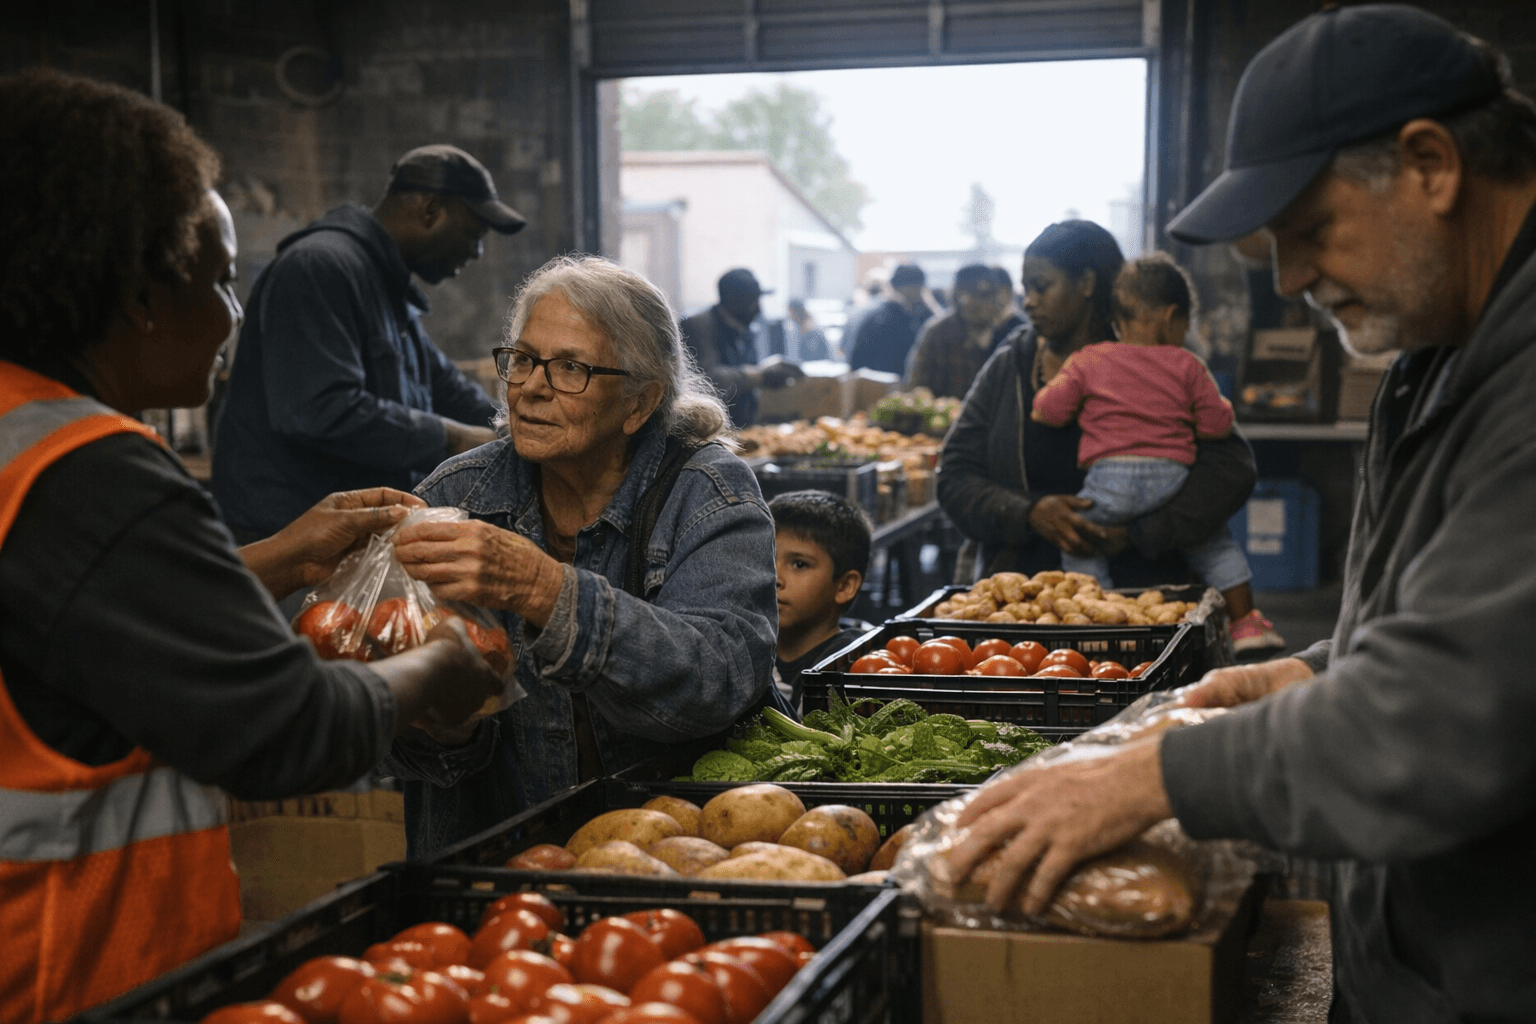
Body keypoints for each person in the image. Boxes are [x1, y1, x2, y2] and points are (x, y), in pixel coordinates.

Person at [945, 6, 1536, 1020]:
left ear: (1431, 165)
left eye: (1309, 232)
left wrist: (1150, 779)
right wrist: (1323, 671)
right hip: (1421, 964)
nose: (1291, 279)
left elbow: (1447, 720)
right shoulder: (1440, 353)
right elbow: (1470, 630)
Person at [0, 70, 502, 1023]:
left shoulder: (17, 439)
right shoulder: (92, 472)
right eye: (223, 280)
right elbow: (288, 732)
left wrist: (277, 557)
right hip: (72, 971)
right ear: (142, 293)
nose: (236, 316)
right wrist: (440, 663)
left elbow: (66, 623)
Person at [381, 255, 785, 858]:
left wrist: (544, 589)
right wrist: (444, 728)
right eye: (523, 359)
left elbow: (716, 680)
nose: (532, 386)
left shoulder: (706, 492)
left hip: (676, 855)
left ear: (639, 404)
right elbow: (400, 744)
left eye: (571, 367)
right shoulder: (457, 496)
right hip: (501, 864)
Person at [210, 144, 525, 541]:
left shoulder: (385, 285)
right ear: (431, 211)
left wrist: (515, 427)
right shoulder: (320, 267)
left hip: (342, 536)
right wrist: (454, 438)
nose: (476, 252)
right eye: (472, 234)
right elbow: (319, 410)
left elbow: (446, 387)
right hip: (284, 536)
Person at [938, 220, 1256, 589]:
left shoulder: (1160, 359)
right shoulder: (1010, 366)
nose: (1029, 302)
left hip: (1149, 596)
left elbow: (1231, 470)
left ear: (1087, 283)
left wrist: (1140, 532)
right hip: (1026, 597)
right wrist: (1028, 512)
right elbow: (955, 475)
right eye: (1026, 289)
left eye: (1042, 286)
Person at [1031, 254, 1284, 653]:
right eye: (1186, 323)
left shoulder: (1088, 360)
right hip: (1173, 480)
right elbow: (1216, 426)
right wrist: (1221, 406)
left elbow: (1049, 412)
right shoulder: (1187, 365)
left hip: (1110, 482)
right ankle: (1247, 625)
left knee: (1080, 540)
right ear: (1170, 318)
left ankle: (1106, 624)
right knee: (1212, 540)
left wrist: (1052, 384)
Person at [769, 490, 871, 713]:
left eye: (799, 564)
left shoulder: (850, 663)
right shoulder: (749, 645)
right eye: (765, 558)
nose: (774, 577)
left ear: (844, 586)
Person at [679, 267, 803, 427]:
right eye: (753, 302)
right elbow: (707, 380)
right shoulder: (698, 326)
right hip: (710, 427)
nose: (758, 309)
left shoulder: (743, 328)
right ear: (735, 302)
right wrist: (759, 375)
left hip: (743, 425)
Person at [905, 263, 1007, 398]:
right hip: (945, 409)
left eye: (989, 295)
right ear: (958, 297)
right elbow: (916, 386)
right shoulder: (938, 332)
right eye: (976, 295)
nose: (984, 303)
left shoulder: (1008, 330)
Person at [848, 262, 935, 375]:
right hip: (885, 383)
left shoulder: (928, 320)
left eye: (915, 287)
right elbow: (857, 362)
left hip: (908, 384)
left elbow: (856, 363)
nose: (911, 293)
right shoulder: (878, 321)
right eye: (908, 288)